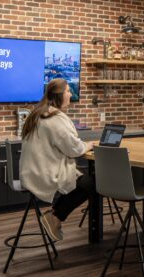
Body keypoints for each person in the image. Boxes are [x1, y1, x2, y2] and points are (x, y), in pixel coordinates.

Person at [20, 78, 94, 242]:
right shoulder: (54, 119)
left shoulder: (38, 113)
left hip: (31, 170)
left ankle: (54, 214)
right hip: (43, 173)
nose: (71, 94)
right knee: (89, 184)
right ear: (60, 95)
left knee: (82, 181)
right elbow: (73, 148)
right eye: (68, 91)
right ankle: (55, 217)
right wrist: (88, 145)